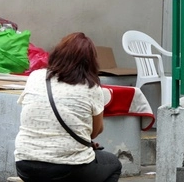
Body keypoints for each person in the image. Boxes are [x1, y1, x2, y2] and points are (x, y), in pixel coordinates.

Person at [14, 32, 122, 182]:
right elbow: (95, 132)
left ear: (57, 54)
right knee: (114, 164)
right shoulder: (91, 87)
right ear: (90, 62)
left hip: (25, 165)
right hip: (69, 168)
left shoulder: (35, 77)